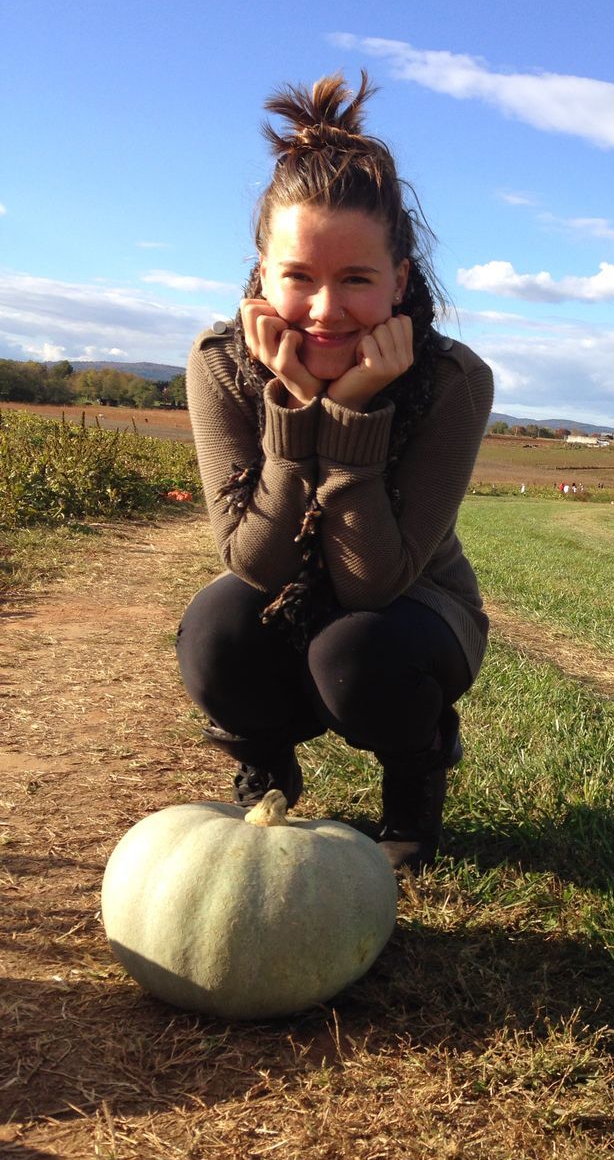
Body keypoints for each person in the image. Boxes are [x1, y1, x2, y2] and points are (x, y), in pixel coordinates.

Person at [176, 74, 494, 870]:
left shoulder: (452, 380)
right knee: (216, 629)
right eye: (298, 278)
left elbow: (374, 584)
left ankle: (416, 773)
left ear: (401, 281)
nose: (324, 310)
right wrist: (291, 413)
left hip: (413, 610)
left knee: (358, 650)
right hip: (284, 592)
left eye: (356, 279)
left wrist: (352, 412)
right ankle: (269, 761)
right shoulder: (221, 365)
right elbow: (254, 561)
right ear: (261, 274)